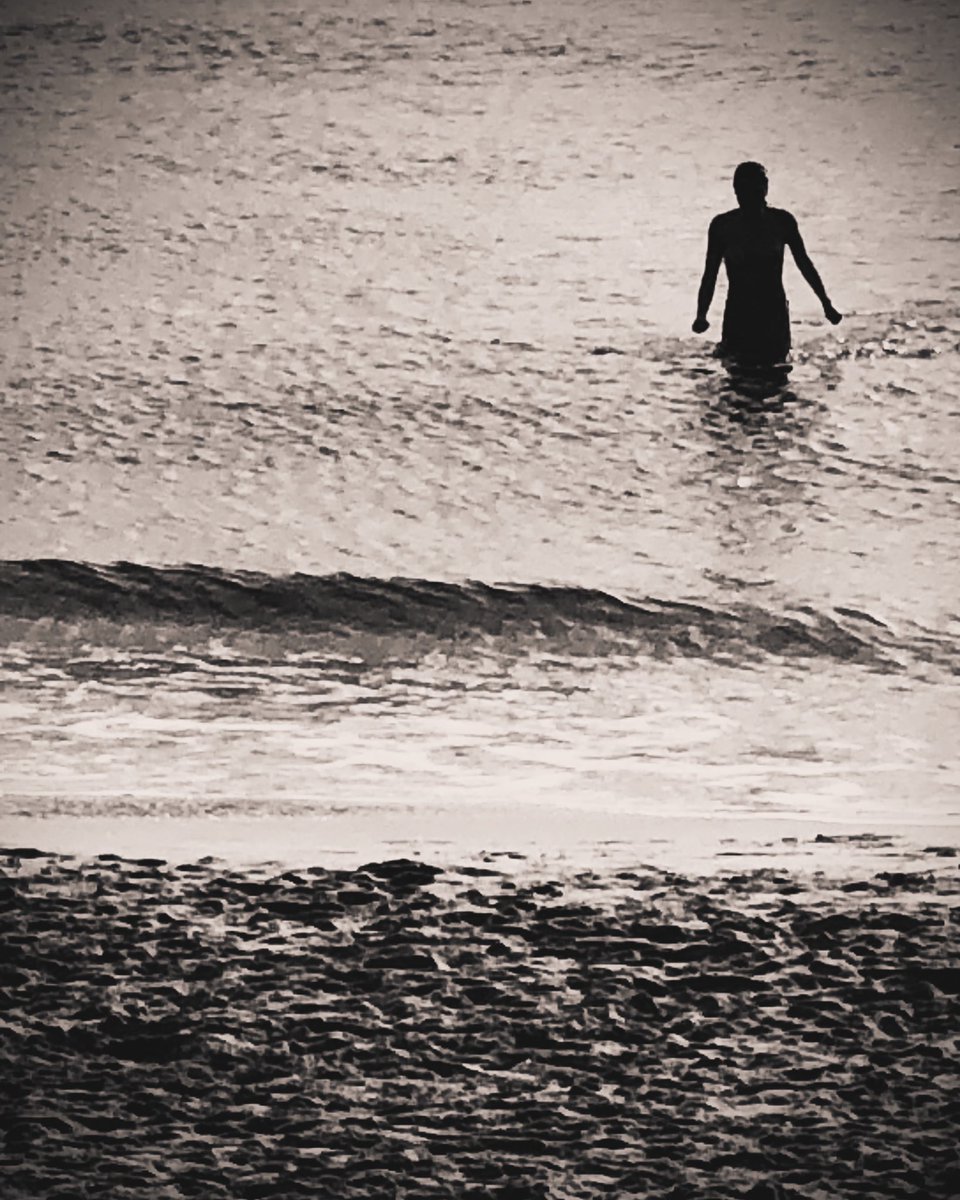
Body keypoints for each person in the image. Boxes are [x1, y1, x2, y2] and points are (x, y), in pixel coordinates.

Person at [692, 162, 841, 365]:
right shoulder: (723, 226)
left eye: (755, 189)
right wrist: (701, 314)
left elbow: (804, 263)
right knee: (736, 381)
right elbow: (710, 273)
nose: (748, 196)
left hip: (773, 315)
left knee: (775, 376)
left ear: (765, 189)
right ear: (735, 190)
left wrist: (826, 303)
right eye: (743, 190)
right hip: (738, 314)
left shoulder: (782, 222)